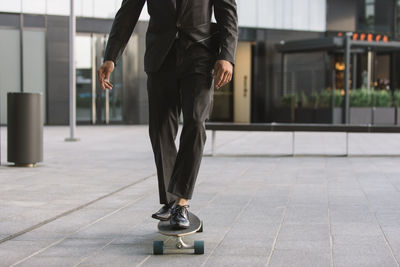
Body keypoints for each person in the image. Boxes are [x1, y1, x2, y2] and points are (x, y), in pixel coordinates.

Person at [97, 0, 238, 229]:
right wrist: (111, 56)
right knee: (160, 129)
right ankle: (172, 201)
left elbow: (227, 13)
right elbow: (128, 12)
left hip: (200, 55)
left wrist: (227, 55)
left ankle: (181, 202)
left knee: (196, 122)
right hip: (160, 57)